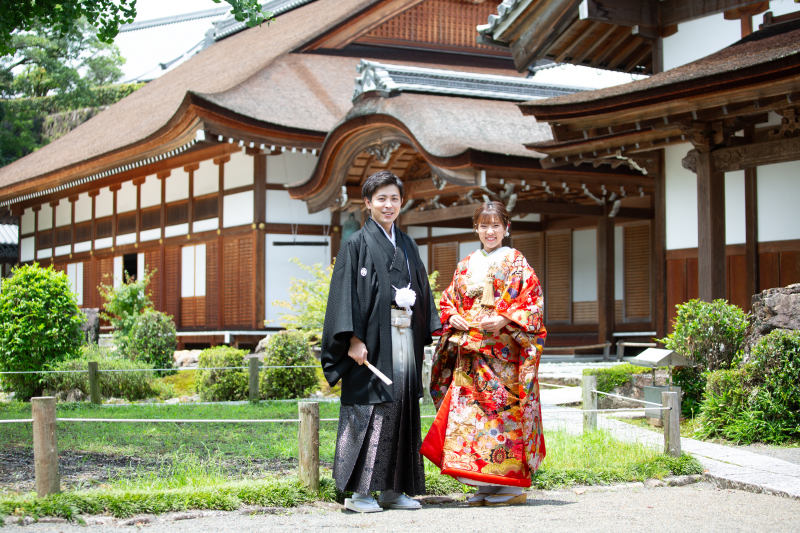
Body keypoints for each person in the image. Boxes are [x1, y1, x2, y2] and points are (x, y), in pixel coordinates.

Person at [321, 170, 440, 513]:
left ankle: (392, 489)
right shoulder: (355, 244)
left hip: (404, 335)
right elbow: (343, 296)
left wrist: (430, 326)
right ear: (368, 203)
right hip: (370, 341)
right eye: (381, 199)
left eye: (394, 199)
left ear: (402, 203)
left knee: (400, 406)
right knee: (369, 408)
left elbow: (422, 292)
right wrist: (353, 340)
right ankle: (359, 494)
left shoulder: (407, 244)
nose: (389, 205)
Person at [420, 201, 547, 506]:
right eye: (484, 225)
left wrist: (506, 318)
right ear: (475, 228)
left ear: (507, 228)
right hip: (470, 354)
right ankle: (482, 483)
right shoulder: (465, 264)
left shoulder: (517, 262)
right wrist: (451, 318)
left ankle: (512, 487)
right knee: (471, 419)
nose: (490, 232)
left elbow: (532, 303)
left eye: (496, 225)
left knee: (502, 417)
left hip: (503, 355)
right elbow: (449, 298)